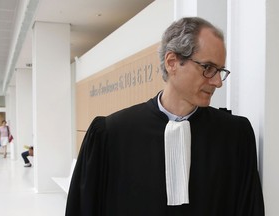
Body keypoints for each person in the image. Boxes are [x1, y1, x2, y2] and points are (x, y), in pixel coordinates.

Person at [65, 17, 264, 216]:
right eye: (208, 68)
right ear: (172, 62)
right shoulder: (110, 134)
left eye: (220, 71)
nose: (218, 82)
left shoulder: (234, 136)